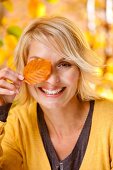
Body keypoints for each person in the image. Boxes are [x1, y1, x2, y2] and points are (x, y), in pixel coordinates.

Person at [0, 16, 112, 170]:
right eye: (38, 64)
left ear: (80, 69)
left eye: (64, 64)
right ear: (23, 70)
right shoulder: (18, 125)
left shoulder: (109, 121)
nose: (52, 81)